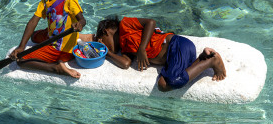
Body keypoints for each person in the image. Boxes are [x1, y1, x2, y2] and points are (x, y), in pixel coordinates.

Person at [80, 16, 226, 91]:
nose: (108, 48)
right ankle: (203, 57)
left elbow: (151, 22)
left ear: (106, 32)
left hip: (176, 45)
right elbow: (125, 64)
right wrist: (106, 53)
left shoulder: (125, 24)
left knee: (169, 83)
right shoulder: (126, 49)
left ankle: (212, 61)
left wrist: (142, 49)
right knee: (164, 82)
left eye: (104, 42)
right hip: (173, 57)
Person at [9, 0, 86, 78]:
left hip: (62, 49)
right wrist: (21, 46)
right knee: (34, 37)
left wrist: (79, 24)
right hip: (53, 36)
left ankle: (56, 68)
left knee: (21, 60)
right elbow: (33, 21)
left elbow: (82, 20)